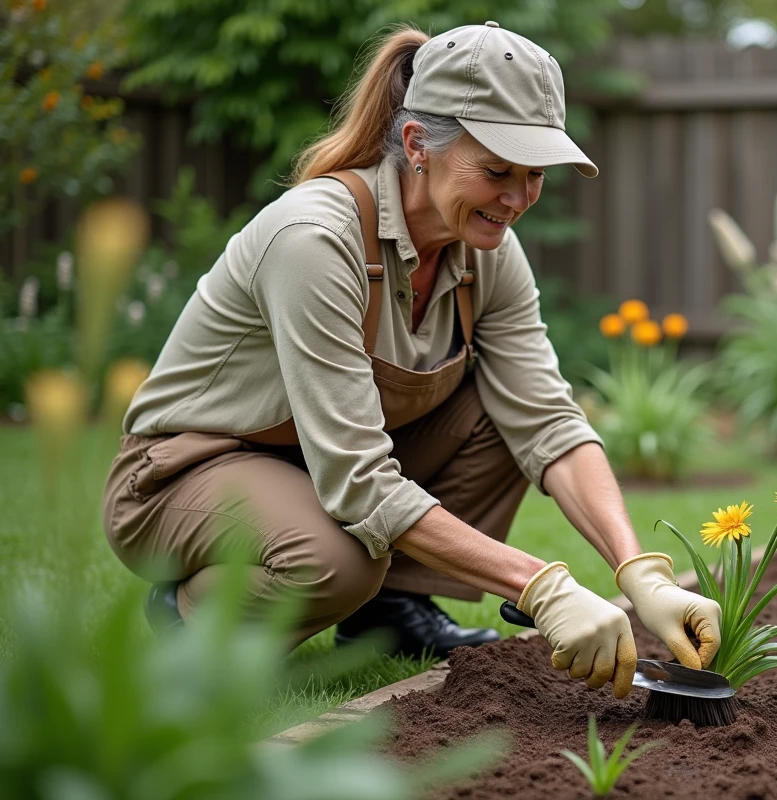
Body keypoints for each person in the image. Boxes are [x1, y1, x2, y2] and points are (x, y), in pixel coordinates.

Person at [101, 21, 721, 698]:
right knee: (338, 560)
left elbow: (549, 421)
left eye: (535, 175)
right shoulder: (315, 239)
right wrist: (540, 588)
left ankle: (391, 616)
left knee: (499, 410)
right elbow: (359, 482)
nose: (517, 200)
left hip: (311, 468)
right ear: (418, 144)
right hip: (181, 477)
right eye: (496, 171)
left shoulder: (484, 252)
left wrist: (641, 573)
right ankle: (193, 618)